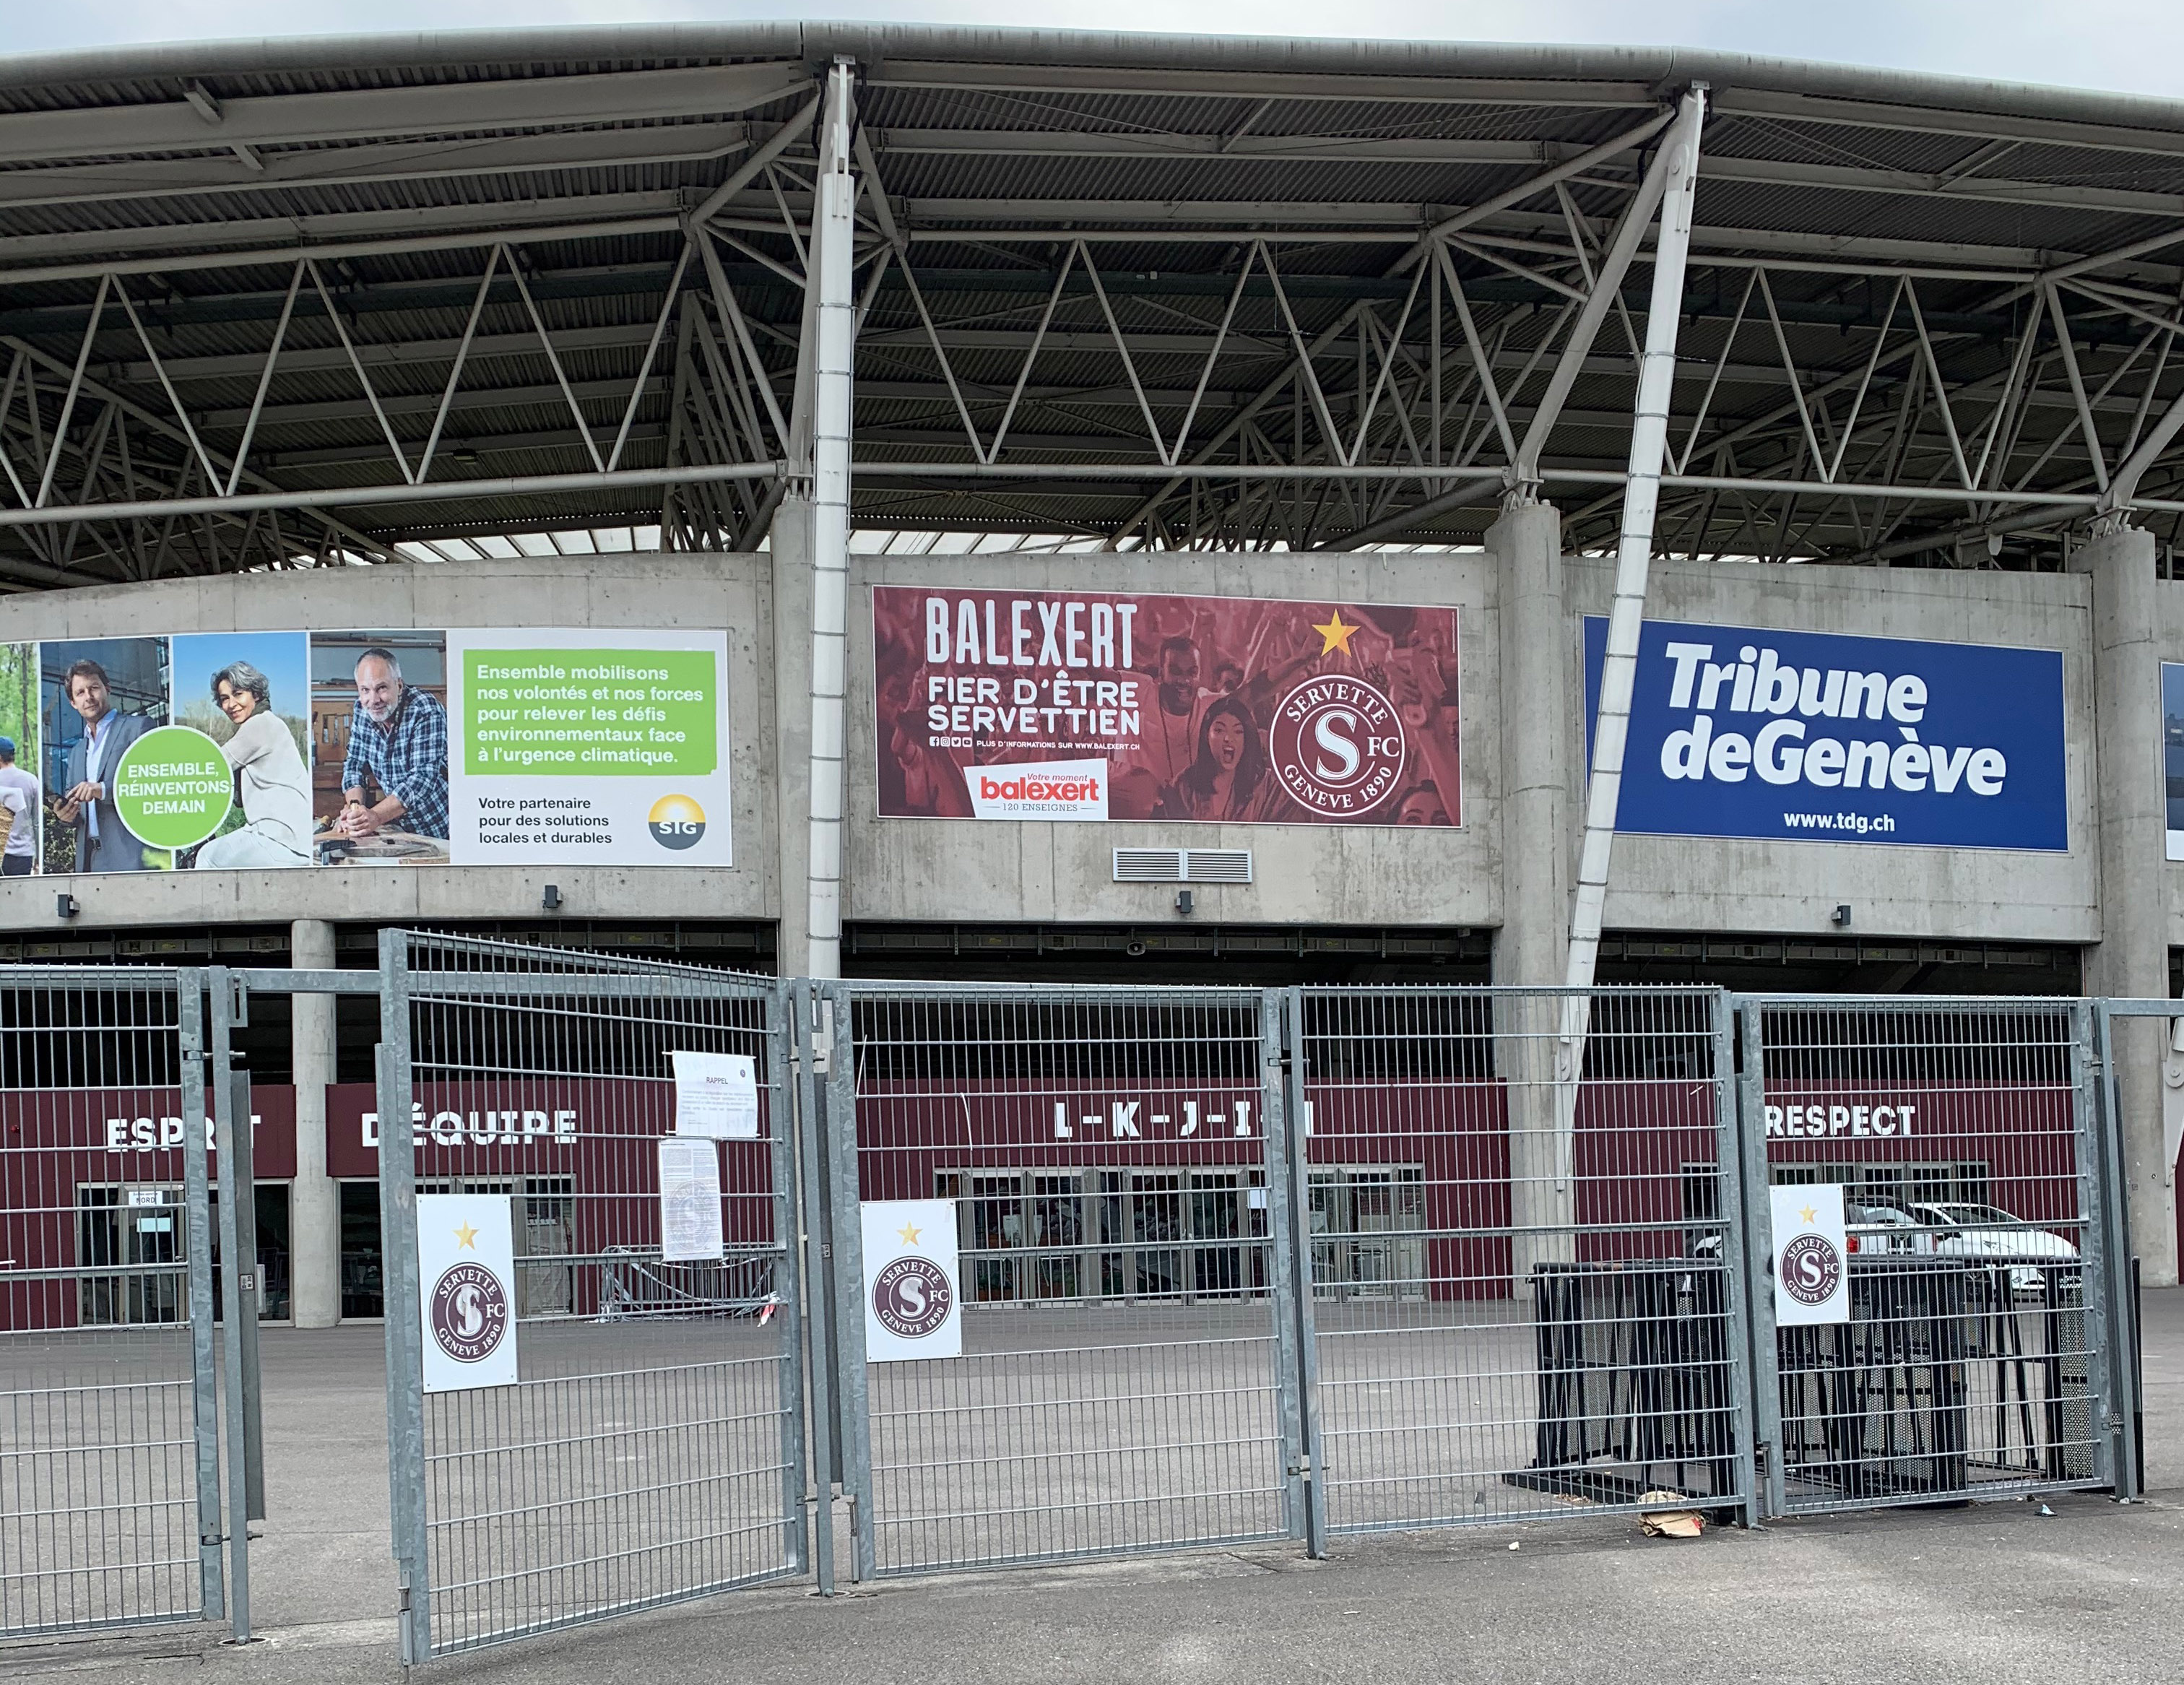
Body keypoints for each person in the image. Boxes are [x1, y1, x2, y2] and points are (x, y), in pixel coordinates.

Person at [193, 662, 313, 870]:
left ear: (255, 695)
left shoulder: (260, 725)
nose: (231, 705)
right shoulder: (270, 722)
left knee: (207, 856)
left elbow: (214, 765)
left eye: (238, 694)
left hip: (280, 837)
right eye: (224, 699)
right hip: (291, 836)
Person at [337, 647, 448, 841]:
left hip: (438, 827)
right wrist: (354, 809)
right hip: (398, 828)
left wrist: (375, 816)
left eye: (381, 688)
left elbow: (422, 778)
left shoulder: (425, 709)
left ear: (399, 685)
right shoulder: (362, 711)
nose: (374, 700)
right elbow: (355, 765)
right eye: (365, 690)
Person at [52, 659, 153, 872]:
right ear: (73, 702)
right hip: (88, 861)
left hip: (131, 857)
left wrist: (103, 790)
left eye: (94, 688)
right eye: (80, 693)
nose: (88, 697)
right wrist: (65, 816)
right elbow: (76, 810)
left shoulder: (138, 728)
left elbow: (154, 786)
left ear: (107, 689)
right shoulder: (77, 752)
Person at [1154, 696, 1289, 823]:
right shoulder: (1184, 785)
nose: (1228, 739)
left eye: (1238, 732)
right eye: (1219, 731)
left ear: (1247, 738)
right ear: (1207, 735)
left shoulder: (1268, 785)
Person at [0, 736, 37, 875]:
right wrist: (39, 854)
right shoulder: (31, 780)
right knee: (20, 896)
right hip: (24, 854)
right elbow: (37, 821)